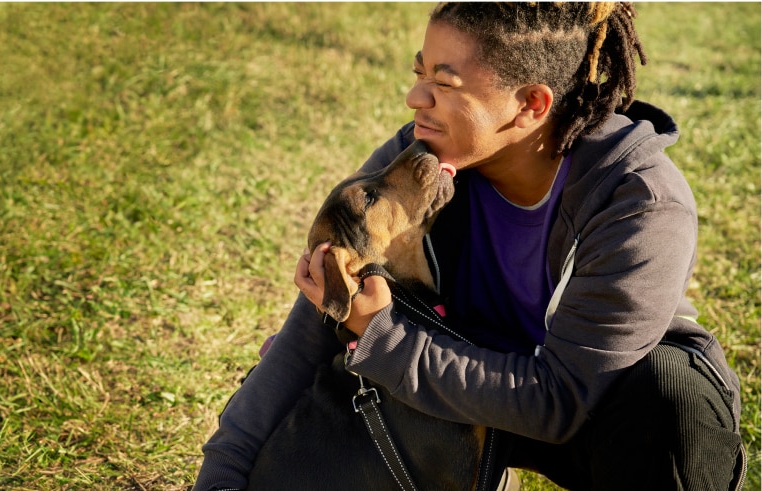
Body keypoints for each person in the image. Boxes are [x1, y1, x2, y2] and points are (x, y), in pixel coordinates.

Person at [194, 3, 746, 490]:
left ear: (531, 103)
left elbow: (559, 400)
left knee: (669, 401)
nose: (414, 98)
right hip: (460, 386)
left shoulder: (639, 201)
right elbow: (301, 344)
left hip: (594, 412)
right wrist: (221, 478)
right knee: (321, 385)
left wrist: (385, 340)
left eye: (444, 82)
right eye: (419, 72)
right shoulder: (419, 166)